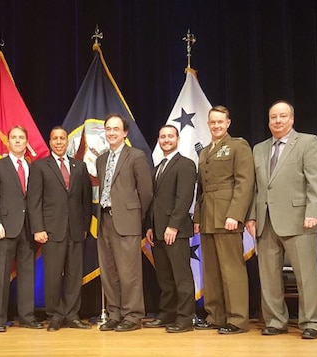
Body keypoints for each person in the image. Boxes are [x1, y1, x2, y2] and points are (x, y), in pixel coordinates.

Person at [245, 101, 317, 340]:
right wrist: (251, 216)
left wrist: (313, 211)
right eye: (273, 117)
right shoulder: (259, 148)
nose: (277, 121)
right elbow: (256, 187)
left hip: (300, 219)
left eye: (282, 116)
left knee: (306, 275)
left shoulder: (307, 142)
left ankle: (311, 322)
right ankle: (275, 321)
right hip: (266, 221)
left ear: (292, 119)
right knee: (268, 276)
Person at [193, 105, 254, 334]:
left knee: (232, 270)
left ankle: (237, 319)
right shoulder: (205, 151)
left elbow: (244, 183)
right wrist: (198, 217)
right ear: (208, 124)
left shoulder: (238, 146)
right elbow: (202, 189)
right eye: (213, 122)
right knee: (212, 271)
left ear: (228, 123)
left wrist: (235, 215)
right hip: (208, 217)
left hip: (227, 216)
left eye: (220, 122)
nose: (216, 126)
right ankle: (215, 316)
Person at [28, 126, 93, 332]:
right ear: (50, 142)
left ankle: (72, 314)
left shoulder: (79, 167)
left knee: (75, 275)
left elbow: (85, 201)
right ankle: (55, 315)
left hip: (75, 230)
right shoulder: (39, 167)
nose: (58, 142)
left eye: (62, 138)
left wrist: (83, 226)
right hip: (51, 230)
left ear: (67, 142)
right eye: (54, 138)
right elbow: (34, 201)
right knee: (53, 275)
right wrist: (38, 228)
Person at [96, 114, 153, 332]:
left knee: (129, 272)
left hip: (127, 221)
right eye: (108, 129)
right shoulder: (101, 159)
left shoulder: (136, 156)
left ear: (125, 133)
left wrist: (135, 216)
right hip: (104, 220)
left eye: (116, 129)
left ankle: (132, 315)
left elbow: (146, 192)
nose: (111, 133)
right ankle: (115, 313)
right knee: (109, 272)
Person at [0, 125, 42, 332]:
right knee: (1, 276)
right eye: (14, 138)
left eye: (21, 138)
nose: (18, 141)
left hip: (27, 229)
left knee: (28, 275)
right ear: (8, 142)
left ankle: (27, 317)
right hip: (5, 228)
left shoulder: (31, 167)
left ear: (27, 143)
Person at [143, 124, 197, 333]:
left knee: (181, 276)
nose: (166, 140)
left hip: (176, 231)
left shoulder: (185, 164)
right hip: (157, 231)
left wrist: (173, 226)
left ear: (177, 139)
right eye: (162, 137)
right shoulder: (157, 168)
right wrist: (149, 226)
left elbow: (184, 198)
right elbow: (154, 201)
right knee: (164, 277)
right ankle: (167, 314)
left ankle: (185, 318)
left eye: (170, 136)